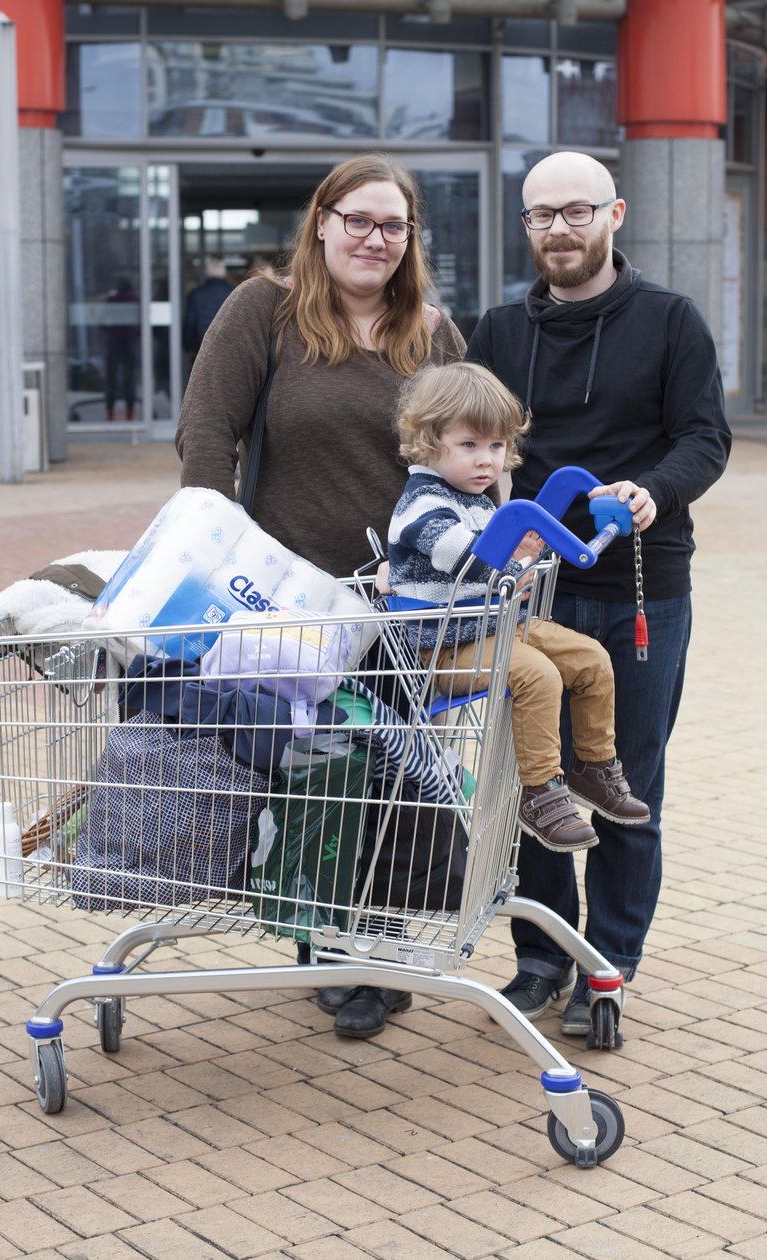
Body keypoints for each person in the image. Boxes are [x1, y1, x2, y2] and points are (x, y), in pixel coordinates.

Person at [175, 153, 466, 1037]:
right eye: (359, 220)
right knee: (315, 778)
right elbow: (206, 437)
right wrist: (220, 560)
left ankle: (373, 950)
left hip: (404, 609)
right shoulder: (264, 312)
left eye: (394, 226)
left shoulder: (435, 337)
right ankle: (325, 940)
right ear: (323, 221)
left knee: (395, 782)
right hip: (290, 609)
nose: (375, 239)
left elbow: (469, 456)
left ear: (411, 239)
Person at [466, 151, 731, 1035]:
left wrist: (657, 489)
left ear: (614, 214)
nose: (559, 230)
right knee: (529, 783)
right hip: (531, 595)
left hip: (639, 591)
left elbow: (705, 437)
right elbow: (471, 442)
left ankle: (607, 971)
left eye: (576, 211)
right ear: (527, 226)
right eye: (541, 216)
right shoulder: (500, 331)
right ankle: (542, 957)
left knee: (623, 783)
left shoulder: (670, 321)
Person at [388, 360, 650, 854]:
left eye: (496, 445)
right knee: (536, 675)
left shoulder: (481, 500)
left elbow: (505, 553)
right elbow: (467, 557)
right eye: (469, 445)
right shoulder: (422, 504)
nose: (486, 460)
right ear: (427, 440)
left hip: (491, 628)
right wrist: (514, 562)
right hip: (440, 648)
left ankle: (594, 767)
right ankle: (541, 793)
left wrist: (529, 550)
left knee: (591, 658)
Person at [182, 256, 234, 359]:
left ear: (207, 274)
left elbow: (190, 323)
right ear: (224, 274)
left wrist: (189, 348)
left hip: (201, 352)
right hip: (228, 353)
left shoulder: (196, 295)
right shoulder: (234, 293)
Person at [103, 277, 139, 421]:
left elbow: (102, 321)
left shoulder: (111, 301)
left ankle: (110, 412)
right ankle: (130, 412)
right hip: (130, 344)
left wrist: (112, 331)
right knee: (129, 380)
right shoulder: (135, 300)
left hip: (113, 344)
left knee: (111, 380)